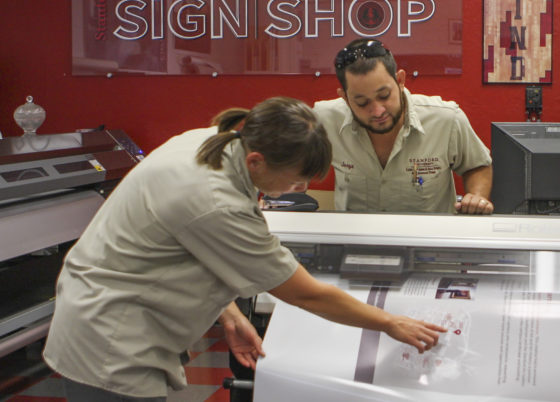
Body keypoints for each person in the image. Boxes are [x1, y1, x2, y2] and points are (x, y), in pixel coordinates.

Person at [42, 97, 445, 401]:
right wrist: (391, 323)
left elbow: (187, 245)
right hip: (110, 336)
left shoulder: (214, 139)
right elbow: (305, 292)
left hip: (110, 307)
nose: (297, 191)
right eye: (294, 183)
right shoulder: (214, 201)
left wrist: (229, 313)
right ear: (256, 161)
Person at [313, 38, 494, 214]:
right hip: (355, 240)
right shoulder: (325, 119)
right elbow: (294, 163)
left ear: (400, 80)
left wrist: (477, 197)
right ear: (344, 96)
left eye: (384, 95)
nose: (377, 111)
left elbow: (477, 166)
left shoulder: (446, 119)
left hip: (427, 240)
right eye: (362, 102)